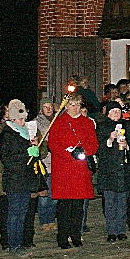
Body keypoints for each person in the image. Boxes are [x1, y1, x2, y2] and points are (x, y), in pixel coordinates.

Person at [48, 92, 97, 248]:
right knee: (64, 206)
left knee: (78, 206)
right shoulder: (59, 122)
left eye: (78, 105)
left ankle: (76, 235)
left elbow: (94, 144)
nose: (75, 108)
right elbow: (53, 145)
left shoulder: (87, 122)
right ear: (66, 106)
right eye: (72, 105)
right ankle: (62, 236)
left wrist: (83, 151)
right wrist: (69, 154)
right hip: (64, 169)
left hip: (80, 169)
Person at [0, 98, 41, 256]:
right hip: (14, 180)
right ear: (13, 119)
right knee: (14, 213)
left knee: (23, 212)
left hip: (25, 179)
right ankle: (13, 244)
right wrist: (26, 154)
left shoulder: (25, 133)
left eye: (24, 118)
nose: (23, 121)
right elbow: (7, 159)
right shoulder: (7, 134)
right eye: (20, 119)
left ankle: (20, 242)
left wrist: (34, 147)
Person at [96, 101, 130, 242]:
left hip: (124, 171)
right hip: (109, 172)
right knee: (110, 203)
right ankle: (111, 231)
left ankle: (121, 230)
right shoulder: (102, 127)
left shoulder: (128, 126)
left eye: (118, 111)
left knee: (122, 202)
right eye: (113, 111)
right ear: (107, 113)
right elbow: (99, 149)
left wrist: (126, 145)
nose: (116, 114)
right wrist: (110, 139)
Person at [30, 97, 58, 232]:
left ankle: (51, 218)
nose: (48, 109)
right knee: (44, 194)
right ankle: (44, 219)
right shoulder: (36, 123)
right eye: (45, 106)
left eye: (50, 106)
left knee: (54, 194)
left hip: (56, 162)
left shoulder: (57, 120)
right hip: (44, 162)